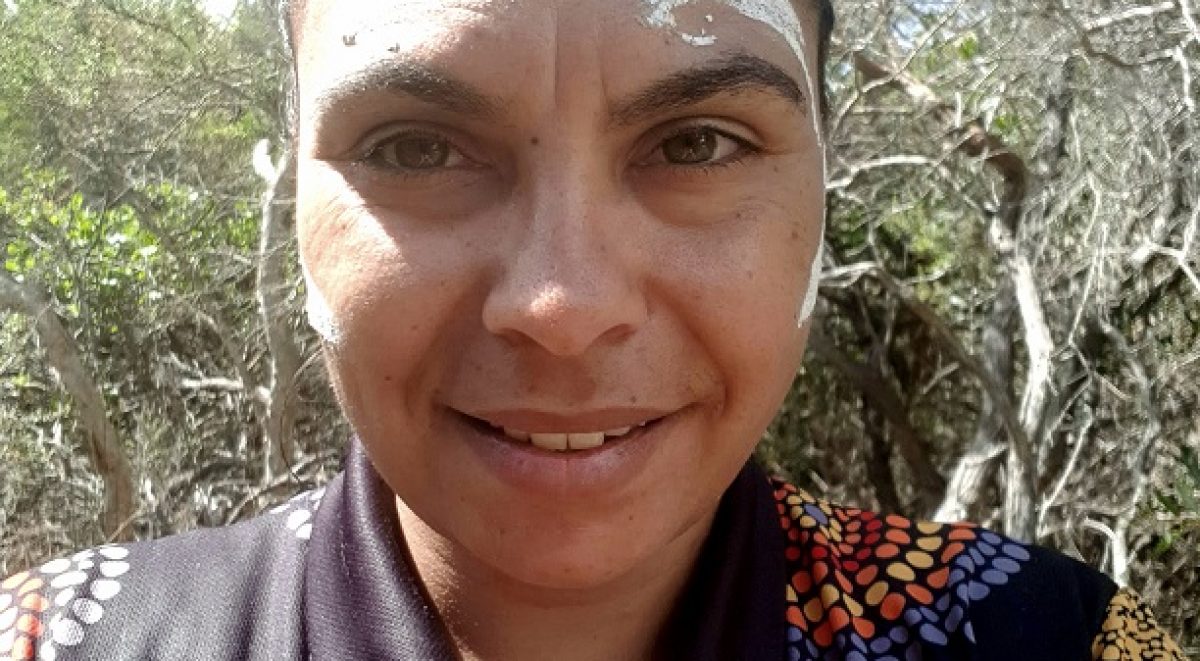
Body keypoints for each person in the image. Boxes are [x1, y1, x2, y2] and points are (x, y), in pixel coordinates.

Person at [0, 0, 1186, 659]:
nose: (562, 307)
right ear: (295, 194)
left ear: (825, 188)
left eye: (698, 143)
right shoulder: (56, 646)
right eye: (415, 146)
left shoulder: (1054, 647)